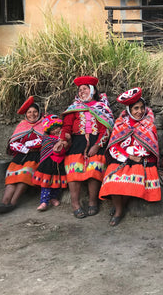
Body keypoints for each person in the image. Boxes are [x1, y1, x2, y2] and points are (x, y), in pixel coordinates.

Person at [99, 87, 160, 226]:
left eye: (142, 108)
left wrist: (133, 154)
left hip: (142, 160)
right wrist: (128, 156)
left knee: (130, 180)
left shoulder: (149, 124)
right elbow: (114, 146)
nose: (139, 111)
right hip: (124, 158)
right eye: (136, 109)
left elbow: (149, 149)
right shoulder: (120, 124)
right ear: (129, 111)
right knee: (112, 177)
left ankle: (119, 209)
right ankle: (119, 209)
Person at [55, 76, 114, 219]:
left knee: (95, 167)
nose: (82, 92)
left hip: (96, 140)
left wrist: (98, 145)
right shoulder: (74, 108)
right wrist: (63, 140)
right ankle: (75, 204)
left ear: (92, 91)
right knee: (73, 169)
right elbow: (67, 126)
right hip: (77, 141)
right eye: (80, 90)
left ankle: (93, 202)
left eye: (85, 89)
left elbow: (105, 130)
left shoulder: (102, 108)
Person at [0, 96, 44, 214]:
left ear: (39, 112)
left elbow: (44, 140)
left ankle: (13, 202)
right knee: (11, 175)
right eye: (29, 112)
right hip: (20, 156)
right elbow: (12, 143)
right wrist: (26, 147)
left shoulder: (44, 124)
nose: (32, 114)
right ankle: (4, 201)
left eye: (35, 112)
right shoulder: (22, 124)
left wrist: (28, 144)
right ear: (26, 114)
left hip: (36, 156)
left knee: (24, 174)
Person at [32, 114, 67, 211]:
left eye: (57, 128)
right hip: (48, 164)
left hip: (59, 164)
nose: (56, 131)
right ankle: (44, 201)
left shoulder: (63, 138)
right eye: (53, 129)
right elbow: (48, 150)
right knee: (46, 184)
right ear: (49, 131)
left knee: (57, 183)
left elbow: (64, 149)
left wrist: (63, 142)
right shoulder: (47, 139)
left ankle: (53, 198)